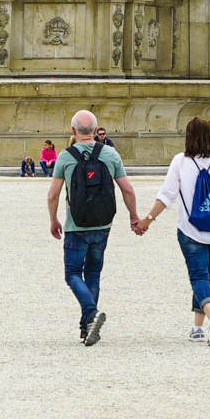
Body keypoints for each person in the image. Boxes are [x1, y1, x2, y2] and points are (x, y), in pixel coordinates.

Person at [136, 117, 210, 344]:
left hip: (190, 230)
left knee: (198, 276)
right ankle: (197, 329)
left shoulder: (180, 161)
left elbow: (167, 196)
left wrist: (147, 220)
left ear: (188, 137)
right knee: (204, 276)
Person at [46, 109, 141, 347]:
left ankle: (90, 312)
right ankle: (85, 328)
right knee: (93, 274)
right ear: (96, 130)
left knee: (72, 274)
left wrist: (54, 220)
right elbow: (128, 189)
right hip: (103, 223)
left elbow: (52, 195)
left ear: (73, 130)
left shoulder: (66, 156)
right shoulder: (110, 154)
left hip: (76, 224)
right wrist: (133, 217)